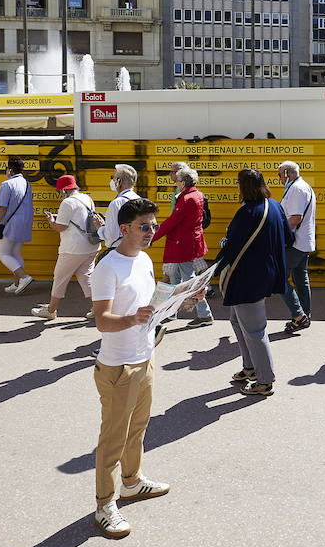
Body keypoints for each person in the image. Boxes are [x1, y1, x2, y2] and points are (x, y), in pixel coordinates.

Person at [89, 197, 172, 539]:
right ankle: (104, 504)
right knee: (113, 438)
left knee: (137, 429)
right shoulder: (108, 267)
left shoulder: (145, 259)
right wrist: (132, 318)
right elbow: (102, 322)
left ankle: (132, 483)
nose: (152, 231)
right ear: (124, 229)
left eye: (154, 225)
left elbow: (152, 306)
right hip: (118, 366)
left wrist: (181, 297)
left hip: (145, 356)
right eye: (144, 226)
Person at [216, 168, 293, 396]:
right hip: (266, 274)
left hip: (247, 280)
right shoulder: (275, 206)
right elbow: (288, 237)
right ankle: (250, 367)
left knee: (255, 330)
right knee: (237, 321)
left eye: (238, 184)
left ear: (244, 187)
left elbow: (231, 250)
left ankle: (264, 381)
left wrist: (208, 274)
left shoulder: (247, 213)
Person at [33, 174, 101, 320]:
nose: (59, 194)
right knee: (86, 277)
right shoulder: (86, 198)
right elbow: (81, 218)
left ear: (64, 190)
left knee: (59, 278)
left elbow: (61, 227)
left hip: (73, 249)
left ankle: (51, 310)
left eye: (59, 191)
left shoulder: (67, 203)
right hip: (91, 246)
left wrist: (51, 221)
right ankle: (98, 309)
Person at [152, 164, 212, 325]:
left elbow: (172, 222)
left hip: (182, 246)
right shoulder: (197, 194)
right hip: (189, 243)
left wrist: (153, 237)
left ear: (183, 183)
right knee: (176, 278)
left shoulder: (186, 198)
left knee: (189, 281)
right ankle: (172, 312)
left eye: (177, 180)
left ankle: (204, 313)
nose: (176, 183)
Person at [277, 160, 316, 333]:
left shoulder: (297, 189)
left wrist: (279, 234)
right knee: (301, 279)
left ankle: (299, 315)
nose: (278, 179)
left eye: (279, 175)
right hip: (303, 241)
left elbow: (295, 218)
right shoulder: (302, 186)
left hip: (296, 243)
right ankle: (304, 317)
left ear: (287, 173)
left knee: (279, 277)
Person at [0, 156, 36, 296]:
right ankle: (17, 283)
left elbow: (1, 208)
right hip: (24, 223)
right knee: (15, 253)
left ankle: (23, 277)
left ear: (9, 170)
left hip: (10, 224)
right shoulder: (27, 183)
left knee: (2, 253)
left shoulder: (6, 184)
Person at [99, 164, 140, 249]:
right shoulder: (139, 199)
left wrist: (100, 227)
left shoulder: (116, 203)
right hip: (135, 249)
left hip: (119, 250)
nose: (112, 181)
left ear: (119, 182)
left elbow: (111, 237)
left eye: (112, 177)